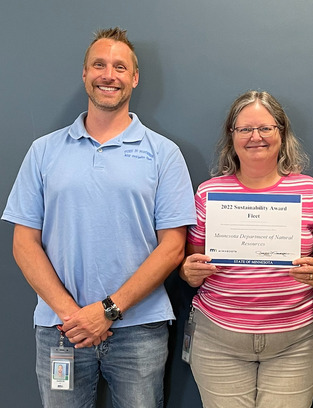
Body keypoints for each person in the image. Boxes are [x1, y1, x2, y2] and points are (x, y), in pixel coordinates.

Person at [2, 27, 196, 407]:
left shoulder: (164, 153)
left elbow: (173, 247)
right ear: (85, 74)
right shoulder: (43, 151)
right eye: (99, 65)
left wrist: (108, 310)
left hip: (139, 330)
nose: (109, 74)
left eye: (120, 67)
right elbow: (23, 243)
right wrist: (73, 315)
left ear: (134, 78)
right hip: (61, 329)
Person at [180, 90, 313, 408]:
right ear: (232, 136)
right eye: (245, 129)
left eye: (266, 128)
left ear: (281, 133)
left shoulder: (310, 191)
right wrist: (189, 271)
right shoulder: (209, 193)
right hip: (217, 338)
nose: (256, 137)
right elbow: (190, 264)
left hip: (296, 339)